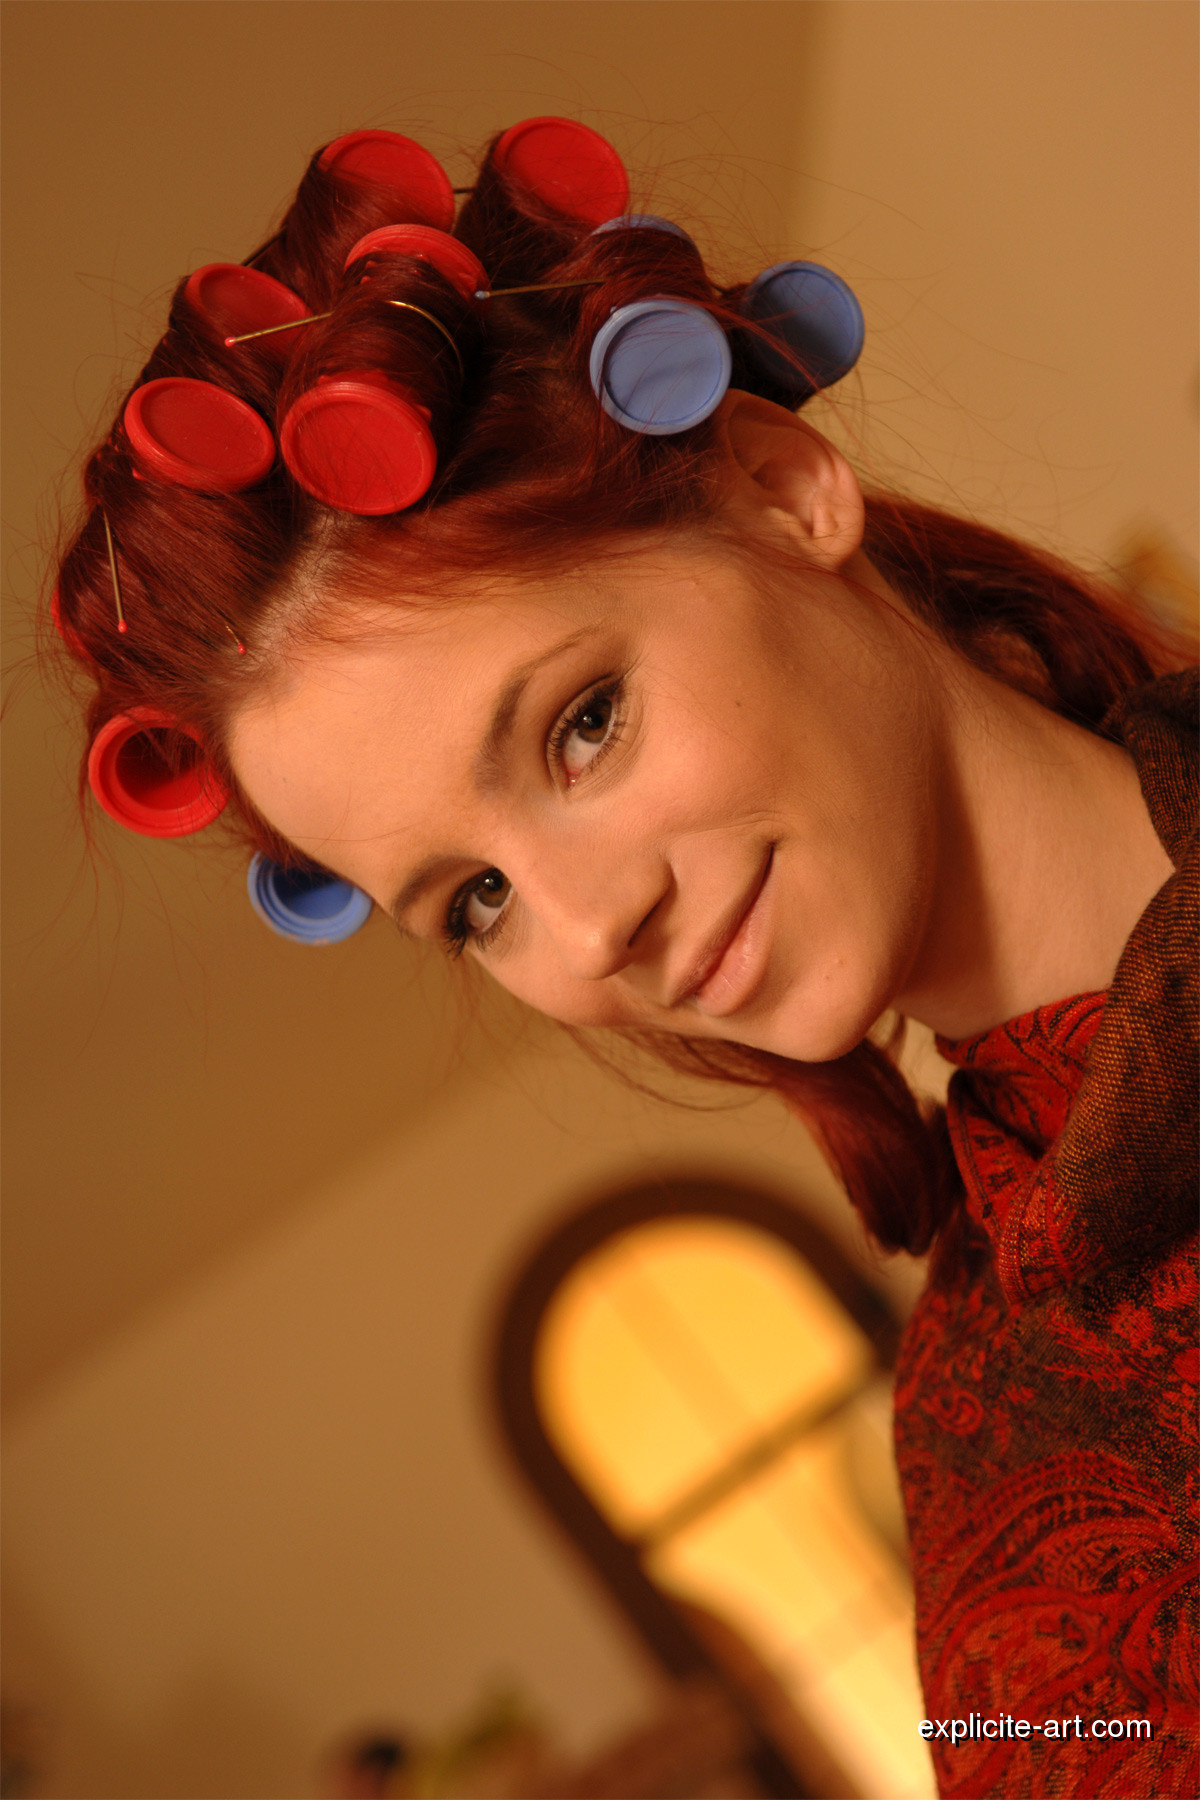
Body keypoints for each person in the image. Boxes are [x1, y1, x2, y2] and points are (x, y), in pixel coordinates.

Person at [49, 119, 1196, 1799]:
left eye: (582, 725)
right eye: (475, 902)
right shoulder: (1006, 1465)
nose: (589, 933)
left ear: (780, 488)